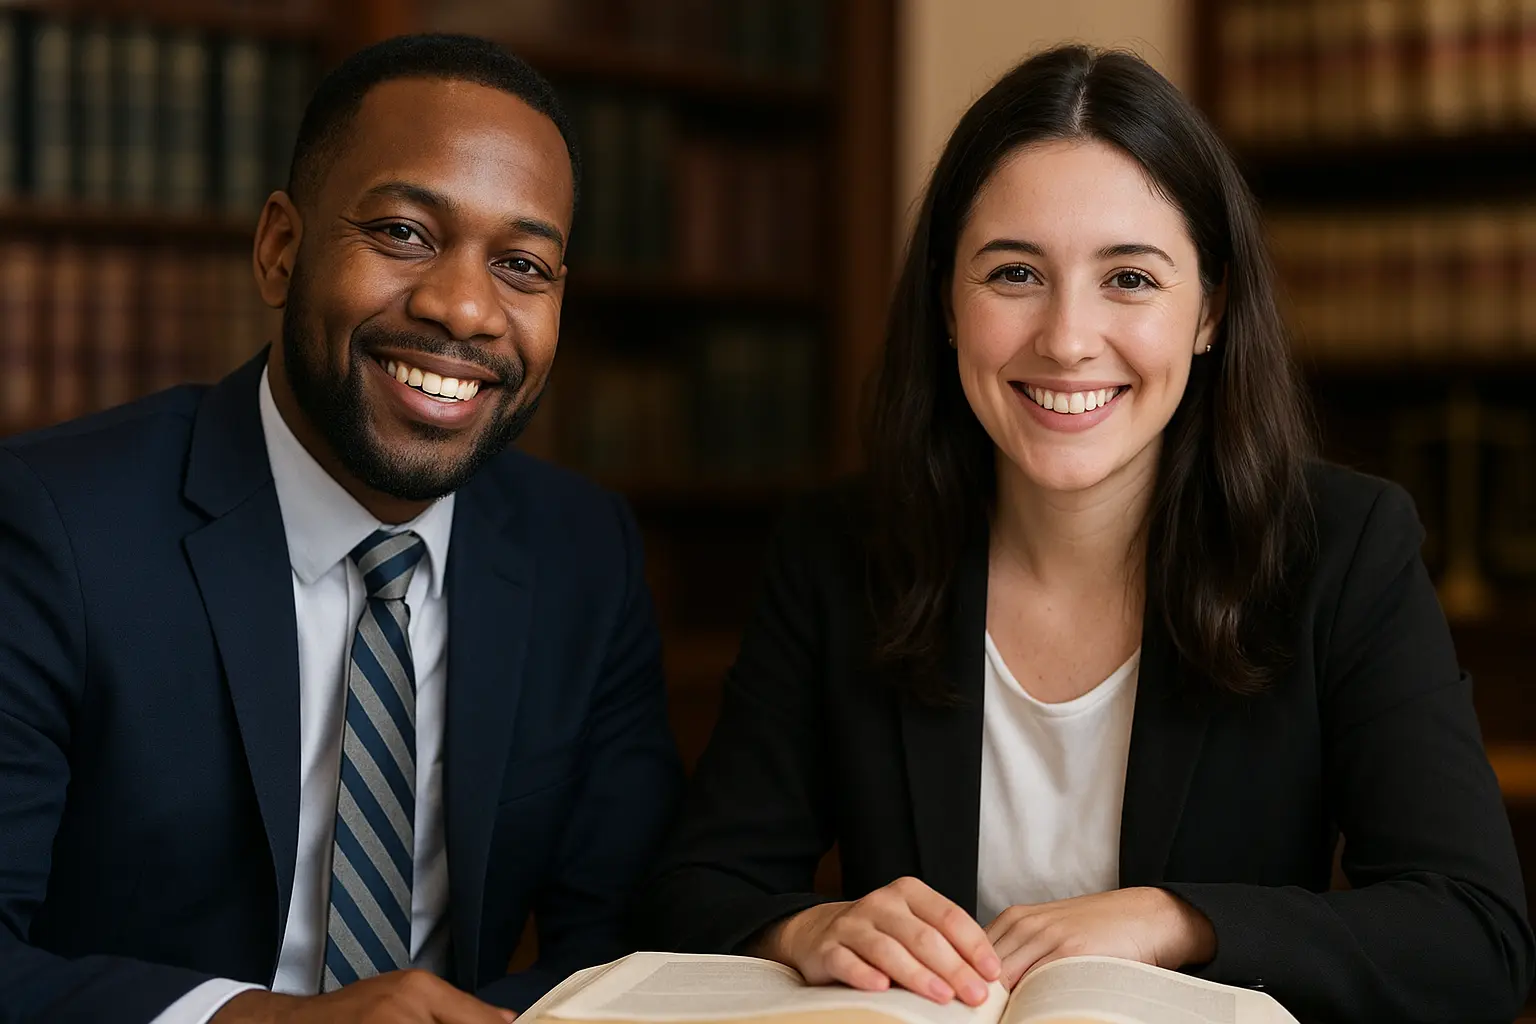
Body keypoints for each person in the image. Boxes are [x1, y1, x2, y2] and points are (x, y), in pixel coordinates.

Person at [636, 44, 1534, 1023]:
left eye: (1131, 279)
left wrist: (1176, 920)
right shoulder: (838, 550)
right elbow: (695, 889)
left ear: (1210, 309)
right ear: (946, 302)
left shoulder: (1345, 549)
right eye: (1014, 272)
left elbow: (1475, 938)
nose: (1066, 339)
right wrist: (804, 929)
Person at [0, 34, 682, 1024]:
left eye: (521, 264)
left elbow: (626, 936)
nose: (465, 309)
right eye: (404, 232)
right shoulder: (52, 525)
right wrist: (268, 1022)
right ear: (281, 249)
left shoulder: (582, 552)